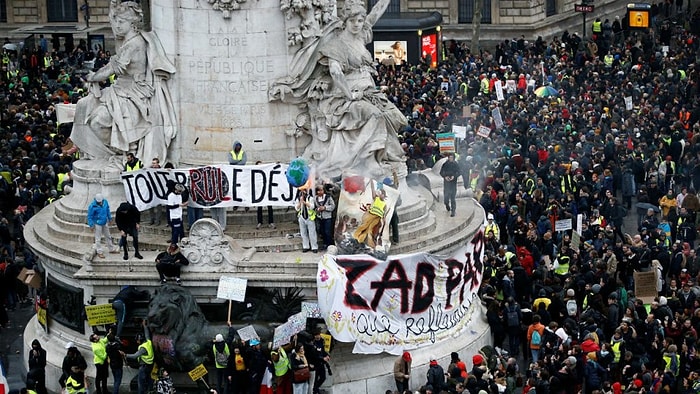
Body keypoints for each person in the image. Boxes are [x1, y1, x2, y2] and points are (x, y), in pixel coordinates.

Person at [269, 0, 406, 179]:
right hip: (344, 97)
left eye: (359, 20)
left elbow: (375, 13)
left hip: (368, 93)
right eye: (353, 21)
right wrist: (350, 96)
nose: (357, 24)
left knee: (396, 118)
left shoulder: (361, 35)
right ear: (345, 21)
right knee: (376, 116)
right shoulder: (336, 45)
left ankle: (386, 156)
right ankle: (364, 158)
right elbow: (335, 72)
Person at [70, 0, 177, 163]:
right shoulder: (127, 41)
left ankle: (122, 151)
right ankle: (114, 150)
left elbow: (113, 69)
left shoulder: (134, 44)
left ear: (132, 23)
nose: (117, 25)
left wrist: (93, 77)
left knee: (97, 120)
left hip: (132, 91)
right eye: (117, 21)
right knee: (84, 106)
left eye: (121, 22)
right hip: (121, 88)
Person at [353, 181, 388, 249]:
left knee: (370, 230)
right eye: (380, 193)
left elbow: (384, 214)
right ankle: (356, 238)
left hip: (377, 218)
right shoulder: (376, 198)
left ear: (384, 195)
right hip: (370, 215)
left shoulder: (385, 204)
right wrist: (371, 182)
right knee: (363, 226)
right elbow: (373, 190)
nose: (381, 195)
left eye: (382, 194)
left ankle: (370, 244)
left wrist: (383, 223)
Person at [123, 320, 154, 394]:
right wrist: (145, 326)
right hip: (150, 365)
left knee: (141, 383)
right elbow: (147, 334)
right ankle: (150, 391)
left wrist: (125, 355)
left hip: (144, 366)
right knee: (149, 379)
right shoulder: (148, 342)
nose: (137, 342)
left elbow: (134, 356)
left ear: (140, 340)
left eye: (137, 340)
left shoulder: (143, 348)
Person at [87, 193, 118, 258]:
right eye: (99, 202)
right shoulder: (92, 206)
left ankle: (111, 249)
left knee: (108, 236)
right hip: (97, 223)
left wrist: (109, 218)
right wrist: (91, 225)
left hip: (104, 222)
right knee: (98, 238)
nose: (100, 203)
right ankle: (99, 251)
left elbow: (107, 210)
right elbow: (90, 216)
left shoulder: (105, 202)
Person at [295, 187, 318, 253]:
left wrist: (305, 203)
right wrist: (300, 202)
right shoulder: (298, 199)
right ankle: (306, 246)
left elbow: (312, 206)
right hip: (302, 217)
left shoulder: (310, 198)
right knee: (303, 233)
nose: (302, 193)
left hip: (310, 217)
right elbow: (297, 208)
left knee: (312, 232)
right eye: (301, 191)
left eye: (304, 191)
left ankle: (314, 247)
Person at [314, 184, 335, 249]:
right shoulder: (315, 198)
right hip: (320, 217)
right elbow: (314, 207)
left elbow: (333, 206)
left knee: (327, 231)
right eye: (319, 191)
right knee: (322, 231)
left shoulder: (328, 197)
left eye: (322, 190)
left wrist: (325, 208)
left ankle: (330, 244)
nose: (321, 192)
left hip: (327, 217)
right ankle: (325, 244)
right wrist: (318, 209)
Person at [105, 326, 124, 394]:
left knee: (116, 379)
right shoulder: (117, 346)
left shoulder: (107, 347)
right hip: (118, 365)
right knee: (118, 380)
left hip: (112, 365)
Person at [440, 153, 460, 217]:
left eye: (452, 157)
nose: (450, 159)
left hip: (453, 184)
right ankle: (447, 205)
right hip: (446, 184)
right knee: (446, 198)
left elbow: (459, 172)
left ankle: (453, 210)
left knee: (452, 198)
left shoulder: (456, 164)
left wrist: (454, 176)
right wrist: (445, 176)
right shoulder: (445, 164)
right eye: (449, 157)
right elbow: (441, 172)